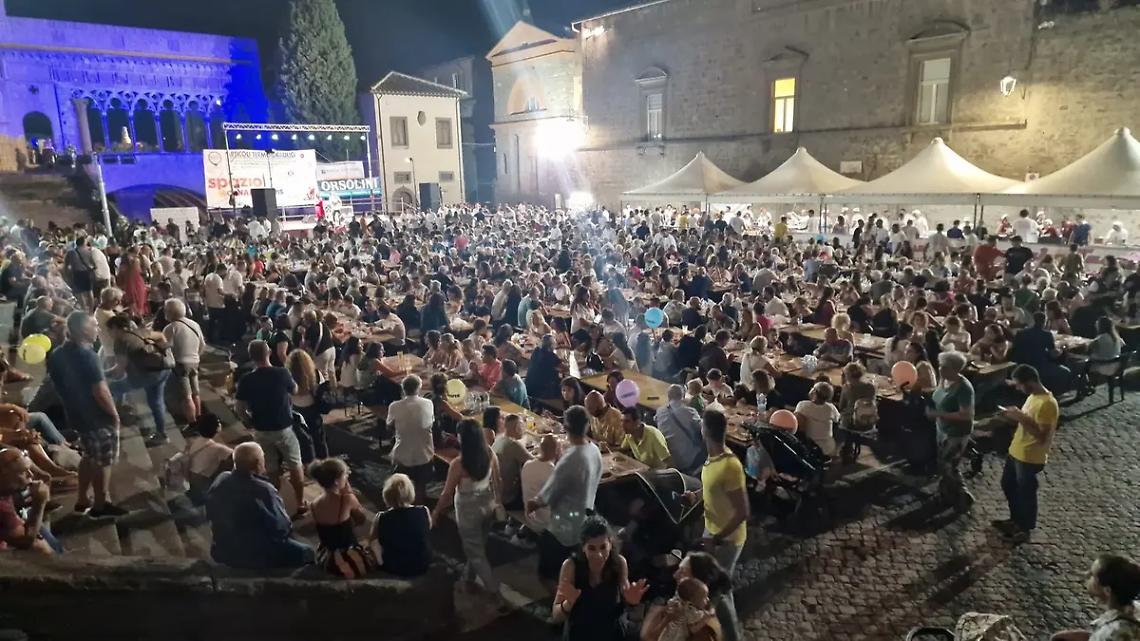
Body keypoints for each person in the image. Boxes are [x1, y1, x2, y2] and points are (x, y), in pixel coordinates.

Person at [46, 312, 127, 518]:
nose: (98, 329)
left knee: (89, 456)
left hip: (76, 415)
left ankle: (82, 499)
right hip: (96, 417)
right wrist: (114, 415)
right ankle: (100, 505)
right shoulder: (88, 355)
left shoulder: (58, 354)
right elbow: (100, 391)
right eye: (94, 325)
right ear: (83, 330)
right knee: (103, 462)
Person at [206, 442, 315, 570]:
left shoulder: (222, 478)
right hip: (254, 552)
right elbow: (281, 527)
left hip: (223, 547)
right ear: (258, 463)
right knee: (307, 551)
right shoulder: (263, 490)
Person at [432, 419, 505, 606]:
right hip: (487, 505)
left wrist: (436, 512)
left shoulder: (459, 464)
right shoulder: (490, 453)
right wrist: (498, 504)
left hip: (467, 509)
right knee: (478, 545)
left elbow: (446, 494)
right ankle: (470, 578)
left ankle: (494, 592)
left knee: (475, 551)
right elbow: (498, 482)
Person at [527, 405, 603, 579]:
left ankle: (560, 602)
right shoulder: (594, 450)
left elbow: (548, 494)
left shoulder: (570, 459)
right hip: (586, 519)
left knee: (549, 574)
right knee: (575, 571)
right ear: (588, 425)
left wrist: (533, 503)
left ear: (566, 428)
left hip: (563, 527)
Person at [683, 409, 748, 611]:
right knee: (714, 587)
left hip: (727, 540)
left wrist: (717, 539)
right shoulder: (712, 459)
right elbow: (711, 486)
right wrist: (696, 495)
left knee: (718, 591)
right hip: (712, 531)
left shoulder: (730, 466)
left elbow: (743, 511)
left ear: (705, 431)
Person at [234, 340, 307, 519]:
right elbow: (295, 390)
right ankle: (299, 503)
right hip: (283, 426)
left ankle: (276, 503)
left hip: (261, 428)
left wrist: (248, 421)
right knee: (295, 463)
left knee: (271, 467)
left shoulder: (247, 379)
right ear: (269, 353)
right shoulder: (281, 373)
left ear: (252, 357)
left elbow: (239, 407)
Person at [551, 515, 649, 641]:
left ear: (610, 544)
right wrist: (568, 604)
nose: (599, 555)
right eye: (592, 548)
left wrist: (632, 602)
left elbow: (626, 600)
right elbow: (556, 616)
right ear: (583, 547)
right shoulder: (571, 566)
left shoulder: (619, 563)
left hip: (612, 635)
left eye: (603, 547)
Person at [994, 364, 1058, 544]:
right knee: (1008, 485)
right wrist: (1014, 415)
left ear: (1030, 382)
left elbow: (1042, 436)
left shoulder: (1047, 404)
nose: (1018, 388)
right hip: (1017, 451)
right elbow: (1028, 421)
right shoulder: (1032, 397)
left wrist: (1020, 417)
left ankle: (1025, 528)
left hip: (1030, 456)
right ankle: (1015, 520)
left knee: (1026, 493)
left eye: (1019, 385)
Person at [105, 314, 171, 446]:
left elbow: (119, 370)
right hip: (162, 369)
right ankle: (162, 434)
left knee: (111, 390)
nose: (109, 333)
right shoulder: (141, 331)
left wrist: (102, 374)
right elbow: (160, 336)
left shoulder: (121, 341)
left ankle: (110, 428)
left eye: (109, 330)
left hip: (144, 376)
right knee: (156, 402)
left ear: (115, 328)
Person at [308, 458, 377, 579]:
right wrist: (349, 492)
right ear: (336, 481)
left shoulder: (313, 504)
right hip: (347, 553)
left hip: (327, 555)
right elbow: (361, 520)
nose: (346, 477)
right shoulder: (346, 499)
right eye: (344, 475)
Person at [925, 351, 976, 511]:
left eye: (944, 367)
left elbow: (966, 414)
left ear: (955, 369)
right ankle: (947, 493)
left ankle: (962, 495)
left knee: (949, 464)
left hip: (957, 433)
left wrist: (938, 414)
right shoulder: (944, 380)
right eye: (940, 365)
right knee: (944, 463)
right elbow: (938, 395)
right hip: (942, 429)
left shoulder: (964, 388)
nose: (940, 369)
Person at [1051, 554, 1140, 641]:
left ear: (1107, 591)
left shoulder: (1113, 633)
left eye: (1092, 575)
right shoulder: (1134, 610)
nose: (1086, 575)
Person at [369, 473, 432, 577]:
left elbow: (372, 542)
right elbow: (427, 529)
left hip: (394, 566)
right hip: (422, 564)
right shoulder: (424, 511)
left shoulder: (381, 517)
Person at [0, 446, 59, 553]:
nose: (30, 475)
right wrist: (39, 503)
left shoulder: (5, 488)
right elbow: (26, 541)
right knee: (38, 546)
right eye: (23, 472)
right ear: (4, 474)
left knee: (36, 525)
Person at [387, 375, 435, 503]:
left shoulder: (394, 406)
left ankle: (402, 502)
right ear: (419, 388)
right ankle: (420, 502)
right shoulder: (428, 403)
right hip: (425, 454)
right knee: (421, 485)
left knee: (401, 485)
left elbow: (389, 427)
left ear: (403, 389)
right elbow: (430, 423)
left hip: (402, 454)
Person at [162, 298, 205, 427]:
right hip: (194, 362)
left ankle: (192, 423)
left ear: (169, 312)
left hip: (180, 364)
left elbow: (164, 348)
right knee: (195, 393)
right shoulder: (194, 324)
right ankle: (198, 417)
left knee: (186, 396)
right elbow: (202, 344)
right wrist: (195, 355)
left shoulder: (171, 328)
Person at [655, 384, 707, 476]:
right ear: (683, 397)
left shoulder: (660, 411)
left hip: (668, 459)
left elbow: (656, 419)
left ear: (668, 397)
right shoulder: (690, 412)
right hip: (688, 460)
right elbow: (704, 429)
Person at [286, 349, 328, 463]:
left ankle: (309, 464)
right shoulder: (315, 373)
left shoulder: (287, 376)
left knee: (303, 441)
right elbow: (321, 390)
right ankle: (324, 463)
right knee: (319, 439)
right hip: (313, 408)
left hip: (296, 410)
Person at [492, 413, 533, 511]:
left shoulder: (499, 439)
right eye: (522, 426)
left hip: (495, 495)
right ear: (517, 428)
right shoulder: (513, 444)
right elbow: (535, 463)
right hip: (509, 499)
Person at [521, 434, 559, 534]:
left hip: (529, 519)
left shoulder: (527, 465)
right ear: (557, 452)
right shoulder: (552, 472)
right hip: (547, 525)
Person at [794, 382, 841, 457]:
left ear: (814, 392)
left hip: (809, 447)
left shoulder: (803, 405)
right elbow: (837, 419)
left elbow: (795, 421)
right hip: (828, 448)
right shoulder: (831, 408)